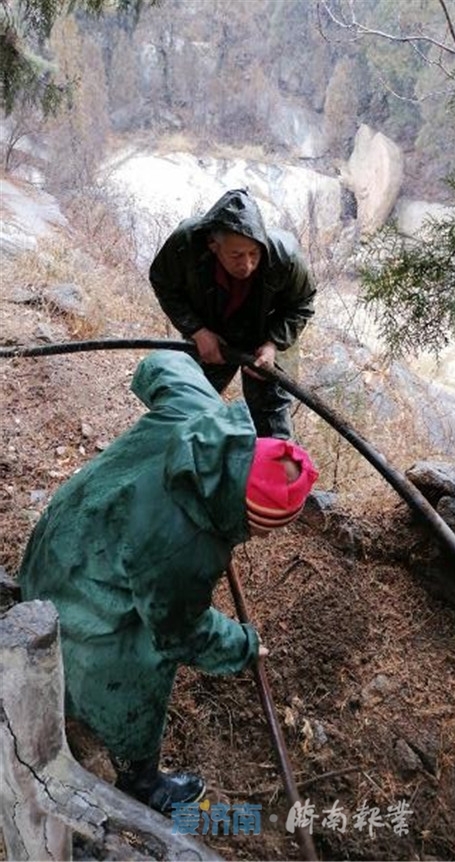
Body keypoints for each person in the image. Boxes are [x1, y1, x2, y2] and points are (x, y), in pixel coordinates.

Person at [18, 349, 319, 815]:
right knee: (142, 659)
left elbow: (161, 365)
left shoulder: (204, 413)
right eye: (263, 528)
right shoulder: (185, 550)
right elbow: (180, 632)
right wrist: (242, 643)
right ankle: (140, 778)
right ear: (251, 517)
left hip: (60, 535)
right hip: (75, 597)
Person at [149, 188, 316, 440]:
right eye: (236, 255)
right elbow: (164, 282)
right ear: (213, 245)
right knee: (186, 407)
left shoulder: (285, 256)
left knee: (273, 428)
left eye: (254, 254)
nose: (247, 264)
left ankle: (267, 474)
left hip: (266, 339)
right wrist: (198, 331)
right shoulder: (187, 244)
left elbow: (302, 303)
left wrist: (273, 344)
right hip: (213, 334)